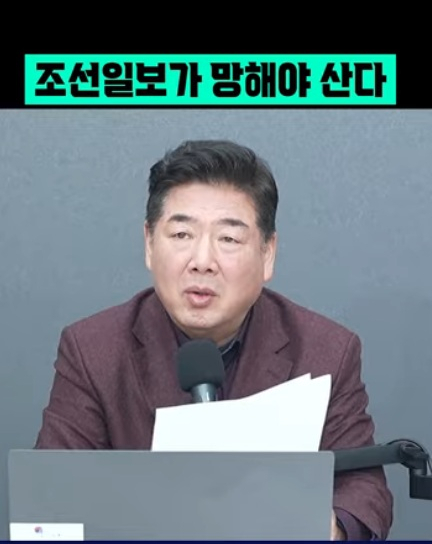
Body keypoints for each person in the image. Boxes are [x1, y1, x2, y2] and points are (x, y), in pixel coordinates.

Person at [35, 139, 393, 539]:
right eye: (181, 234)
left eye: (228, 239)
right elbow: (51, 498)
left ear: (268, 253)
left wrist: (329, 528)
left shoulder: (326, 350)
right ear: (149, 244)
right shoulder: (92, 350)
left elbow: (364, 488)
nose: (202, 261)